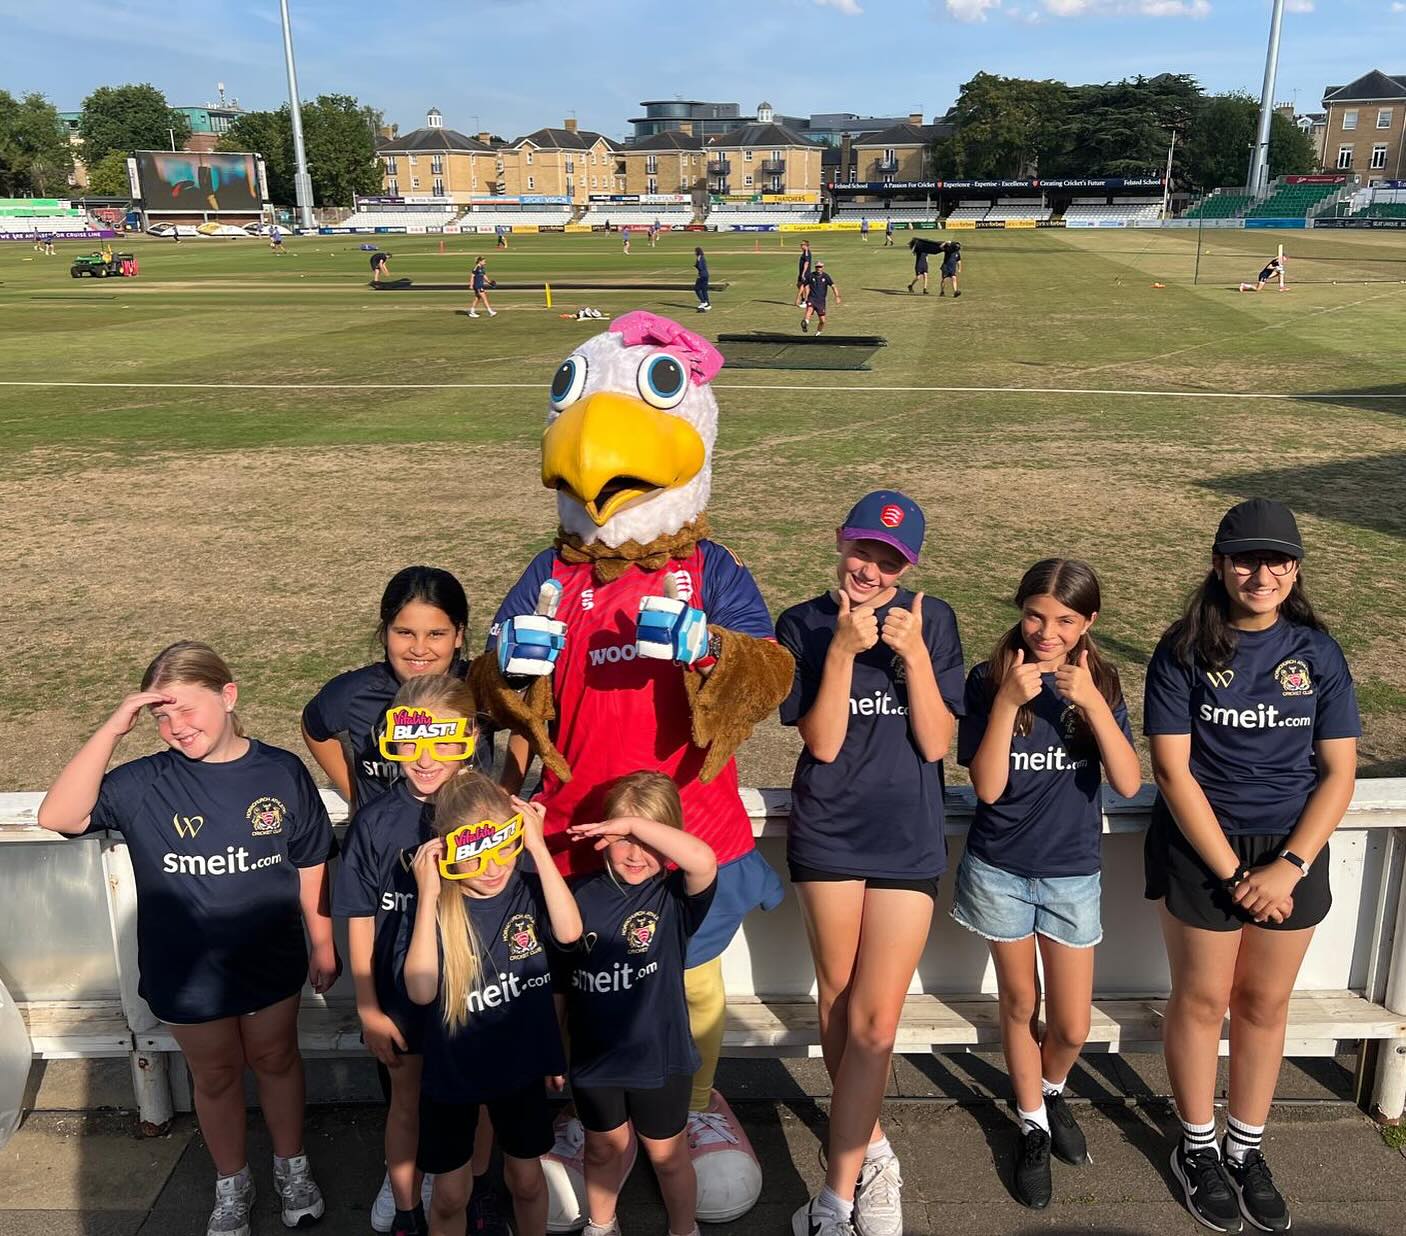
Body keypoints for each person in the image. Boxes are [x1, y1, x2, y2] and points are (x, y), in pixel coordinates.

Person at [37, 641, 339, 1236]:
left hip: (268, 958)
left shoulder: (280, 771)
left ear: (228, 696)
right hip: (184, 969)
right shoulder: (143, 782)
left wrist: (323, 942)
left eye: (186, 708)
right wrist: (114, 728)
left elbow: (310, 862)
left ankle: (292, 1166)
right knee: (216, 1075)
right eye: (160, 715)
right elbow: (59, 816)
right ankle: (232, 1182)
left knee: (277, 1059)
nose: (176, 727)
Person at [1144, 498, 1359, 1235]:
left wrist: (1290, 865)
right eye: (1245, 559)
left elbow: (1338, 772)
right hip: (1205, 847)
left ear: (1295, 569)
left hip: (1292, 849)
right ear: (1218, 564)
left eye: (1277, 561)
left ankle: (1245, 1148)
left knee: (1265, 1004)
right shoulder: (1183, 649)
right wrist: (1238, 875)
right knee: (1203, 1001)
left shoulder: (1317, 653)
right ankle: (1197, 1147)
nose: (1261, 574)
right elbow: (1172, 773)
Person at [777, 491, 965, 1236]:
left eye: (889, 562)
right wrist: (843, 651)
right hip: (828, 831)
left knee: (877, 1020)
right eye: (863, 551)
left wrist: (912, 654)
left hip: (907, 835)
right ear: (840, 541)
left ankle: (833, 1198)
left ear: (907, 567)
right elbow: (822, 742)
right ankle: (875, 1150)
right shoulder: (802, 623)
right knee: (838, 1000)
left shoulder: (933, 619)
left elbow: (936, 741)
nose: (871, 570)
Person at [954, 560, 1141, 1210]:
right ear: (1020, 610)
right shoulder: (988, 679)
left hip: (1071, 875)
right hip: (999, 871)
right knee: (1018, 1005)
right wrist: (1008, 701)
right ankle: (1031, 1122)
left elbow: (1127, 782)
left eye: (1064, 619)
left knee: (1071, 1025)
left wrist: (1092, 703)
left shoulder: (1102, 681)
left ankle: (1051, 1088)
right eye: (1035, 615)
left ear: (1088, 622)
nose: (1047, 631)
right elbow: (987, 787)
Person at [334, 673, 494, 1236]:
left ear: (470, 737)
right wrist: (368, 1007)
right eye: (410, 742)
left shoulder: (493, 814)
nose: (424, 760)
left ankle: (475, 1194)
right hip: (401, 995)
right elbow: (357, 916)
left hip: (477, 992)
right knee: (405, 1099)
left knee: (477, 1101)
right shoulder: (375, 821)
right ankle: (407, 1205)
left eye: (441, 741)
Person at [403, 776, 583, 1236]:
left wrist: (538, 848)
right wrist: (427, 895)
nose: (492, 867)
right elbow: (421, 990)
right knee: (450, 1195)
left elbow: (569, 933)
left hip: (519, 1067)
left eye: (504, 848)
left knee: (527, 1180)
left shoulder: (526, 888)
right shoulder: (437, 906)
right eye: (475, 855)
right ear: (446, 852)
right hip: (454, 1075)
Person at [564, 773, 718, 1236]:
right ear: (604, 834)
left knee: (668, 1158)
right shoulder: (577, 894)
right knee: (601, 1148)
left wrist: (632, 823)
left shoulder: (673, 896)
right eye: (624, 840)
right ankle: (601, 1224)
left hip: (661, 1059)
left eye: (648, 840)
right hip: (595, 1059)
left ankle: (683, 1228)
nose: (635, 854)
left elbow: (704, 859)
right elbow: (558, 981)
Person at [302, 566, 470, 815]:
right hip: (383, 836)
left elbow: (524, 726)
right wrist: (356, 795)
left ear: (458, 635)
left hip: (466, 833)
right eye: (405, 633)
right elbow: (314, 727)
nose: (419, 649)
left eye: (436, 634)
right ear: (384, 633)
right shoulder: (354, 692)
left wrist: (506, 789)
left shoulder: (480, 687)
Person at [801, 260, 840, 335]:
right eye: (817, 267)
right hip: (812, 298)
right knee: (809, 310)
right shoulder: (810, 275)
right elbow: (803, 285)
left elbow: (833, 286)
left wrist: (837, 296)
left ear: (823, 267)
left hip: (821, 302)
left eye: (820, 267)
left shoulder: (826, 276)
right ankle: (805, 322)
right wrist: (799, 296)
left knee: (822, 321)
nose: (818, 268)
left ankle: (817, 333)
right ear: (815, 267)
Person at [794, 239, 814, 308]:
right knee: (799, 284)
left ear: (806, 245)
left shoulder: (807, 252)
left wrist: (803, 273)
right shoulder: (805, 252)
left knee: (804, 286)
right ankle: (803, 299)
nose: (801, 246)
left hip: (805, 273)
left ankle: (805, 301)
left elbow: (807, 263)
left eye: (802, 244)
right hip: (802, 272)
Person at [693, 246, 710, 312]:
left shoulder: (699, 257)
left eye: (695, 251)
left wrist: (696, 266)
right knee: (704, 290)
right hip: (706, 275)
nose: (694, 253)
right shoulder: (702, 257)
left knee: (696, 288)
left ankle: (703, 302)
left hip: (702, 275)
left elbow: (700, 267)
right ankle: (708, 304)